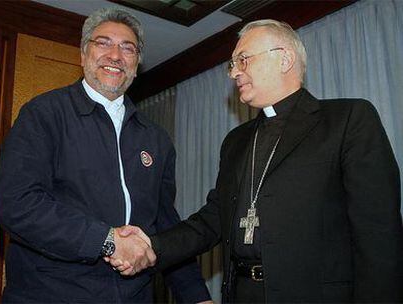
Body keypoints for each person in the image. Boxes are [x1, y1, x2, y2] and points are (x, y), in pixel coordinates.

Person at [111, 19, 403, 303]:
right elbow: (213, 220)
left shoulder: (348, 120)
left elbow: (379, 235)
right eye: (232, 64)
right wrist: (151, 244)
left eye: (243, 60)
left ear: (284, 59)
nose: (233, 73)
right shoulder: (236, 141)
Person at [0, 7, 212, 303]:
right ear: (83, 55)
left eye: (128, 48)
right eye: (103, 43)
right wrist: (106, 241)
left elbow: (165, 224)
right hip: (49, 294)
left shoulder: (156, 138)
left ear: (136, 64)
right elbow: (17, 204)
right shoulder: (44, 114)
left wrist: (196, 296)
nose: (115, 55)